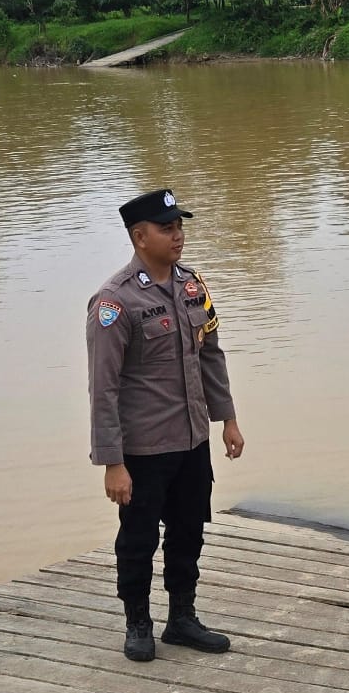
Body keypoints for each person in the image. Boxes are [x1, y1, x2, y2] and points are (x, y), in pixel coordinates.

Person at [86, 188, 245, 661]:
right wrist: (112, 462)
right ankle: (138, 622)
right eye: (166, 229)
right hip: (143, 449)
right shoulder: (115, 302)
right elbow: (103, 388)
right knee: (138, 539)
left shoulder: (192, 286)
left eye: (179, 227)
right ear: (140, 237)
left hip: (192, 439)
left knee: (189, 531)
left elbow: (211, 356)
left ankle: (182, 618)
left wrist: (228, 419)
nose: (178, 236)